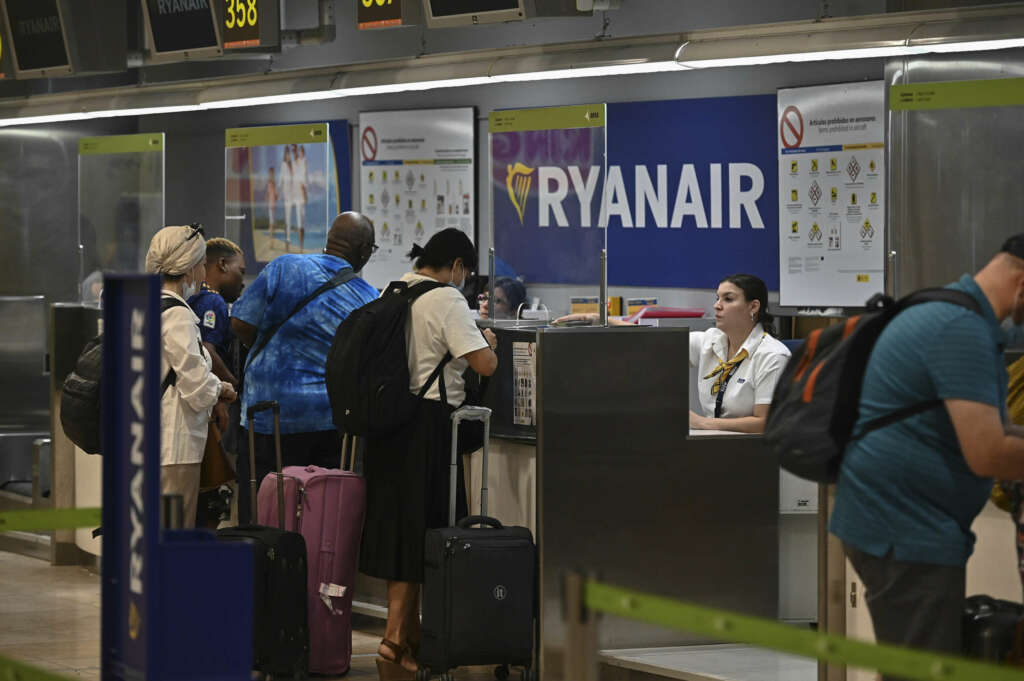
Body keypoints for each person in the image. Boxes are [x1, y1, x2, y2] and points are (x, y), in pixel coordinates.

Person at [830, 235, 1024, 673]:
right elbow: (989, 452)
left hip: (900, 525)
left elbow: (998, 429)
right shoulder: (960, 328)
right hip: (904, 532)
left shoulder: (959, 315)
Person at [360, 228, 498, 680]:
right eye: (467, 272)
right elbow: (483, 364)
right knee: (424, 533)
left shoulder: (395, 288)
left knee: (400, 531)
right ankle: (395, 640)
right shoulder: (447, 299)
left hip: (389, 426)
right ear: (457, 266)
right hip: (429, 429)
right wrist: (490, 345)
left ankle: (406, 639)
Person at [230, 212, 379, 524]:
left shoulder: (284, 267)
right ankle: (312, 570)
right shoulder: (366, 297)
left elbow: (241, 322)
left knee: (260, 504)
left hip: (267, 413)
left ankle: (258, 568)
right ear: (364, 251)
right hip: (326, 418)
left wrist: (268, 355)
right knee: (318, 510)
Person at [145, 224, 237, 528]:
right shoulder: (178, 315)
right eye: (199, 264)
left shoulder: (145, 308)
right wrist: (221, 388)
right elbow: (196, 385)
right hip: (174, 444)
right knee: (173, 530)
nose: (202, 272)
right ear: (187, 270)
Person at [688, 274, 790, 433]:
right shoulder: (711, 339)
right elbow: (659, 350)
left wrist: (703, 423)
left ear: (753, 307)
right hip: (710, 443)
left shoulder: (772, 355)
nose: (717, 305)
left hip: (750, 449)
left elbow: (765, 423)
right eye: (718, 298)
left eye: (728, 299)